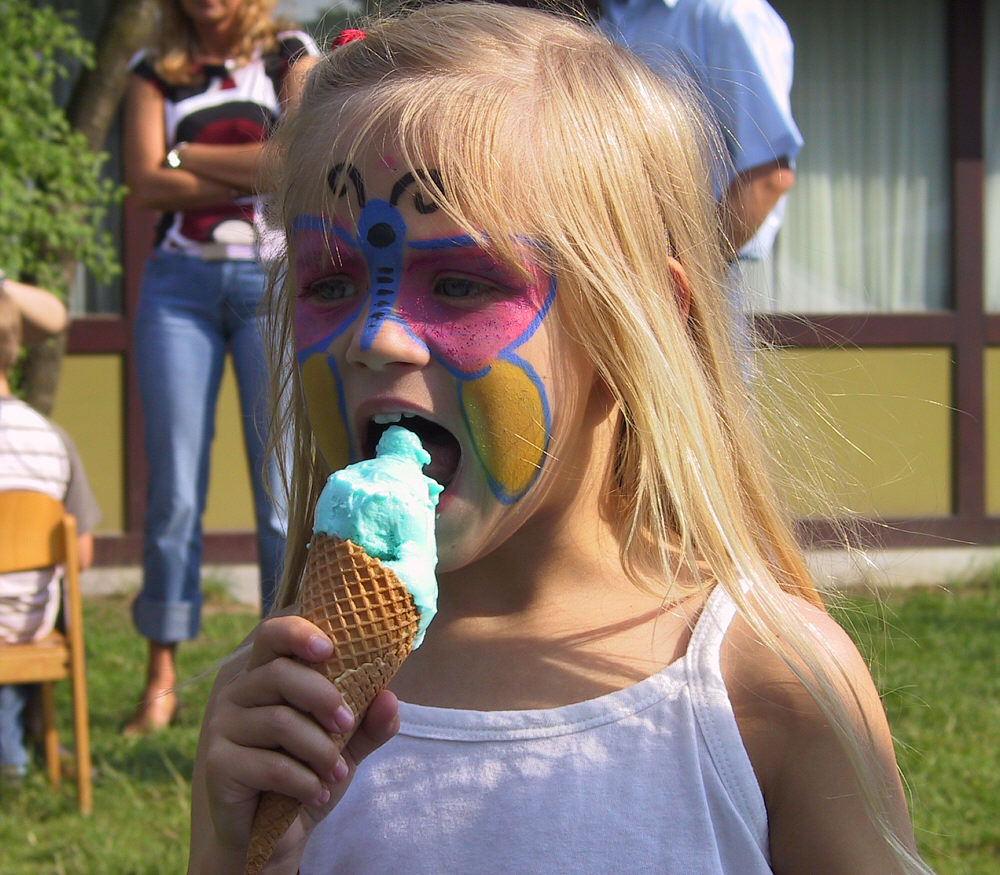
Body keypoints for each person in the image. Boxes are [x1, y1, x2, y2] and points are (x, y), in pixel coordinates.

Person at [188, 5, 928, 872]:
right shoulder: (280, 710)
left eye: (460, 281)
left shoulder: (772, 683)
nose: (377, 336)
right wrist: (248, 850)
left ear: (635, 326)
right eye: (331, 282)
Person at [121, 0, 319, 735]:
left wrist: (187, 155)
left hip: (271, 286)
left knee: (279, 491)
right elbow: (144, 183)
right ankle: (161, 678)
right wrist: (247, 172)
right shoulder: (153, 72)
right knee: (173, 491)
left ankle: (285, 674)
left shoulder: (291, 55)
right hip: (178, 290)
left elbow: (296, 161)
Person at [597, 0, 802, 262]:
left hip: (689, 282)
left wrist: (687, 279)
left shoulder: (731, 13)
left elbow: (767, 178)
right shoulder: (611, 21)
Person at [0, 288, 100, 782]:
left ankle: (11, 755)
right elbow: (79, 555)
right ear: (14, 351)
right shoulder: (50, 438)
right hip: (30, 623)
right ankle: (22, 746)